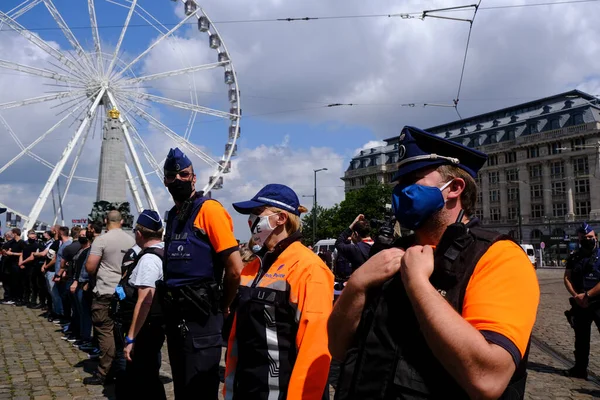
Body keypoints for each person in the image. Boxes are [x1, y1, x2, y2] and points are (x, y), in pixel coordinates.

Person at [329, 126, 540, 400]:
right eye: (398, 184)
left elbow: (488, 378)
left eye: (412, 181)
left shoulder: (498, 256)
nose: (399, 192)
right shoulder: (389, 254)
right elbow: (337, 347)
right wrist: (357, 285)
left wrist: (417, 283)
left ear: (454, 188)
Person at [224, 184, 334, 399]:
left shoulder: (308, 268)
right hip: (246, 388)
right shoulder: (253, 267)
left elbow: (315, 348)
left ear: (281, 218)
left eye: (257, 213)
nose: (250, 221)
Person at [160, 147, 243, 399]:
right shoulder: (173, 216)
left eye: (184, 175)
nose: (178, 180)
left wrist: (224, 303)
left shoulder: (209, 210)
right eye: (172, 177)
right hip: (176, 316)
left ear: (194, 178)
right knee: (184, 387)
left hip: (203, 315)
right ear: (165, 180)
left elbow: (235, 269)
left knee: (200, 388)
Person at [118, 210, 167, 399]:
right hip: (152, 325)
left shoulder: (148, 259)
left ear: (139, 233)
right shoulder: (163, 252)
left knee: (144, 378)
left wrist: (131, 338)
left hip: (144, 328)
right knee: (147, 376)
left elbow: (145, 300)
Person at [84, 211, 135, 386]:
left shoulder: (102, 240)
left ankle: (105, 371)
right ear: (122, 221)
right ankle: (122, 367)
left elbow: (90, 267)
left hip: (105, 290)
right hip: (123, 291)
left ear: (105, 221)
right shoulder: (131, 240)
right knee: (120, 332)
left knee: (104, 330)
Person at [563, 222, 600, 379]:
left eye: (590, 237)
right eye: (584, 238)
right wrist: (576, 295)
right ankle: (580, 369)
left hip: (598, 303)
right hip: (580, 304)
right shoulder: (574, 256)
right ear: (579, 239)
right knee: (581, 339)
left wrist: (588, 295)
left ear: (596, 237)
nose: (587, 239)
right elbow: (567, 277)